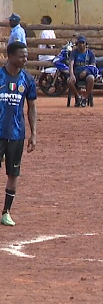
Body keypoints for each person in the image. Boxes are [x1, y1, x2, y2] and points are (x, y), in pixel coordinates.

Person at [0, 42, 37, 227]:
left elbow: (31, 108)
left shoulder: (27, 80)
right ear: (11, 56)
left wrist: (34, 134)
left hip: (17, 134)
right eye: (22, 56)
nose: (25, 59)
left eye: (26, 55)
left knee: (13, 174)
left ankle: (6, 212)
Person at [67, 35, 96, 107]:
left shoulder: (90, 53)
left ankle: (85, 98)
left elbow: (93, 66)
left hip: (87, 74)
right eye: (80, 43)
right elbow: (71, 64)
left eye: (83, 43)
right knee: (69, 81)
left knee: (91, 78)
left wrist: (85, 71)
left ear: (86, 44)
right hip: (77, 73)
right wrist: (72, 75)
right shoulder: (74, 52)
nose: (81, 45)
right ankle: (78, 97)